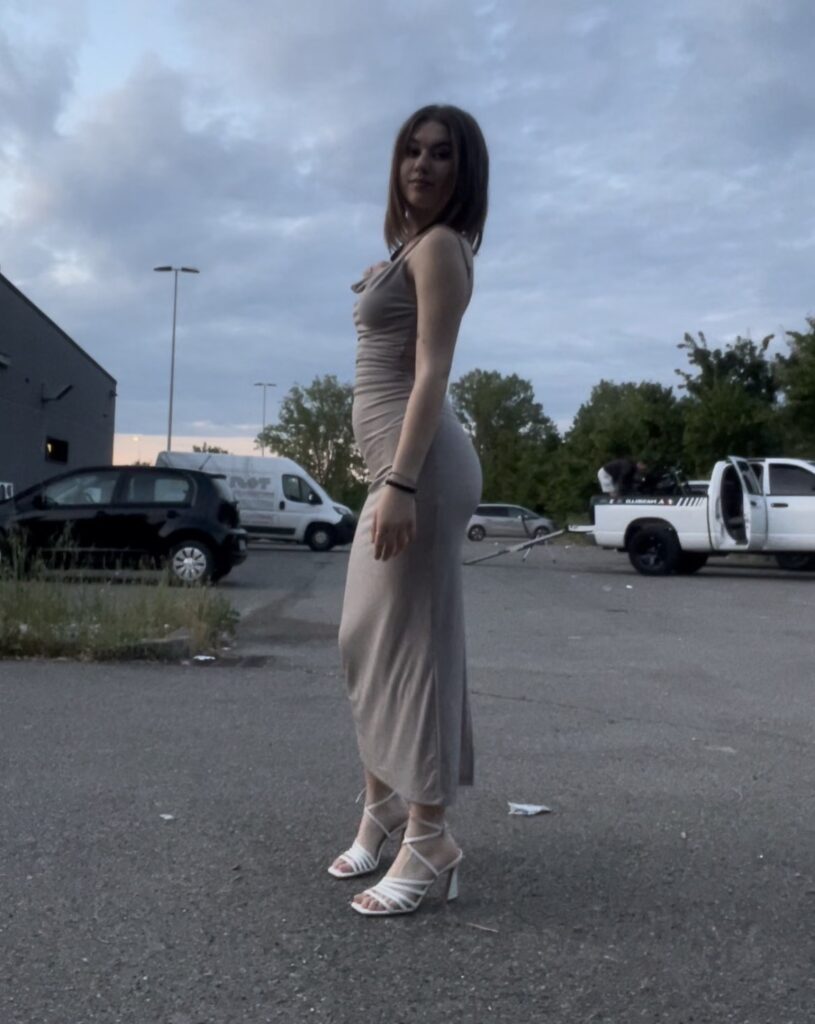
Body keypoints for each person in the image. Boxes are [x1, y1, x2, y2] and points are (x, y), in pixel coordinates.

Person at [331, 104, 489, 917]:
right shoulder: (410, 249)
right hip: (392, 469)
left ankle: (429, 838)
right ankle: (384, 806)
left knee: (415, 645)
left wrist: (398, 483)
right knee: (365, 640)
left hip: (416, 470)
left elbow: (431, 373)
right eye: (411, 152)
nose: (421, 166)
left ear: (464, 172)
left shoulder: (440, 248)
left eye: (441, 155)